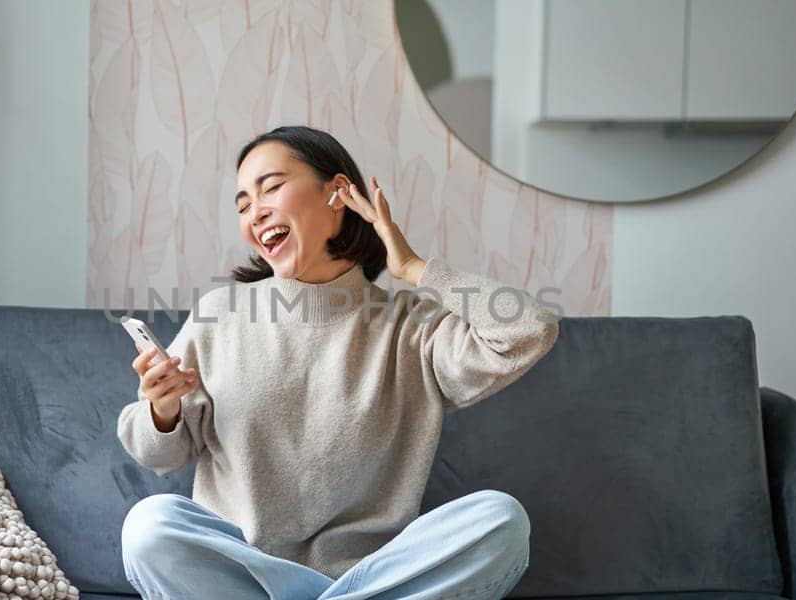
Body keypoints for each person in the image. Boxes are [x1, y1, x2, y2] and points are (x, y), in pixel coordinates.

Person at [116, 125, 560, 599]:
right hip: (247, 576)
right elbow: (158, 457)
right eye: (243, 204)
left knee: (500, 520)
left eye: (271, 187)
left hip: (369, 579)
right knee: (149, 527)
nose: (255, 211)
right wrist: (161, 411)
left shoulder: (412, 329)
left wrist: (414, 268)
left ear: (338, 193)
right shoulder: (220, 315)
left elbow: (530, 331)